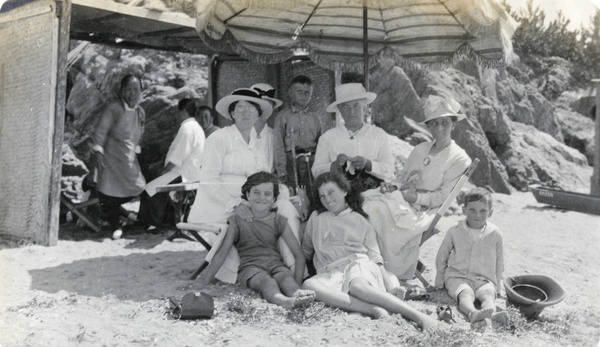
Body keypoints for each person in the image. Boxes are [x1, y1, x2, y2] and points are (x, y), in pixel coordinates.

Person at [187, 87, 303, 283]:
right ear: (232, 113)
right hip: (218, 205)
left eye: (252, 108)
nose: (246, 112)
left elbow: (266, 180)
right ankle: (270, 270)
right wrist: (234, 204)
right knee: (272, 214)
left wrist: (284, 194)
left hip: (252, 202)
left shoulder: (257, 145)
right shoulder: (219, 138)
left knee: (286, 209)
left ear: (259, 114)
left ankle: (292, 269)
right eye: (240, 108)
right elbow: (208, 179)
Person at [301, 172, 439, 331]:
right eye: (322, 196)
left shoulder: (360, 219)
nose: (327, 199)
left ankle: (419, 317)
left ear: (344, 191)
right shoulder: (316, 218)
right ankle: (373, 309)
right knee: (308, 285)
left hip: (357, 264)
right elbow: (305, 250)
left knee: (357, 287)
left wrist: (390, 285)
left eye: (331, 192)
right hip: (330, 271)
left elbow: (374, 256)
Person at [373, 95, 472, 281]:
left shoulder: (459, 158)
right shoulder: (420, 148)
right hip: (403, 199)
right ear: (429, 127)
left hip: (425, 210)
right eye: (434, 124)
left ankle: (387, 269)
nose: (440, 128)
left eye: (444, 123)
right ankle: (375, 263)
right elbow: (402, 177)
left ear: (453, 125)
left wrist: (415, 198)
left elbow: (443, 197)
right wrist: (392, 186)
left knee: (375, 211)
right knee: (369, 202)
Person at [200, 172, 315, 308]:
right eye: (256, 192)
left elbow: (298, 255)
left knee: (285, 278)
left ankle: (297, 295)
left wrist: (297, 285)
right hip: (250, 268)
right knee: (267, 282)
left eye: (267, 194)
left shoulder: (278, 220)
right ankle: (284, 302)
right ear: (248, 195)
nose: (262, 198)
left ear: (273, 199)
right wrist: (204, 284)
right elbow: (222, 253)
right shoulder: (237, 220)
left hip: (276, 265)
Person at [434, 187, 509, 325]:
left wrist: (497, 287)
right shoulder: (455, 230)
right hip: (458, 276)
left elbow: (500, 262)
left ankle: (491, 313)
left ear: (490, 212)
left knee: (487, 295)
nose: (477, 215)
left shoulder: (495, 234)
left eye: (483, 211)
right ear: (464, 210)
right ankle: (472, 312)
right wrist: (439, 281)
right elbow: (442, 257)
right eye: (472, 210)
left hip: (484, 279)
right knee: (465, 294)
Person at [90, 74, 146, 240]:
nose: (132, 93)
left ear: (141, 91)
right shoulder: (113, 108)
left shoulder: (140, 112)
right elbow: (100, 132)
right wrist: (98, 152)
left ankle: (124, 214)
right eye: (128, 89)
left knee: (139, 187)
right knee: (108, 193)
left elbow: (139, 135)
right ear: (122, 91)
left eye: (136, 89)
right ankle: (116, 225)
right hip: (110, 159)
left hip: (128, 159)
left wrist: (137, 151)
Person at [311, 83, 395, 190]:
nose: (351, 112)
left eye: (356, 106)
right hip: (340, 196)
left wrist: (368, 164)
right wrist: (333, 166)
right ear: (339, 110)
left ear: (364, 107)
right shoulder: (327, 137)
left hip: (373, 195)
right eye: (346, 107)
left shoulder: (378, 134)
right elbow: (316, 171)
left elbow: (390, 170)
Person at [136, 98, 205, 229]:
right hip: (191, 173)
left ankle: (153, 223)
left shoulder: (187, 128)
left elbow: (179, 155)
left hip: (183, 174)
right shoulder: (197, 128)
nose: (177, 116)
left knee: (148, 190)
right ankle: (162, 221)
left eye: (178, 112)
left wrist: (165, 170)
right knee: (155, 186)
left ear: (183, 111)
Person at [273, 75, 323, 190]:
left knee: (311, 192)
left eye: (307, 92)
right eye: (299, 91)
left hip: (310, 161)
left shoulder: (316, 118)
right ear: (290, 93)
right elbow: (278, 145)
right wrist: (282, 172)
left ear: (311, 95)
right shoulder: (282, 116)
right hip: (290, 162)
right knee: (293, 193)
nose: (303, 95)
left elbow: (321, 145)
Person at [251, 83, 283, 173]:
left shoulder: (275, 137)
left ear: (272, 109)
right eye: (258, 105)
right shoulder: (237, 135)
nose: (262, 110)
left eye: (267, 106)